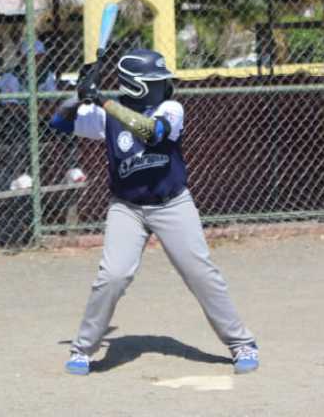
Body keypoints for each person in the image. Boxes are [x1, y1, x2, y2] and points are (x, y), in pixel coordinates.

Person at [49, 49, 259, 376]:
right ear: (137, 86)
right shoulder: (105, 115)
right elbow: (58, 122)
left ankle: (240, 342)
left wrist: (102, 99)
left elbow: (152, 132)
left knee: (200, 272)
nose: (165, 85)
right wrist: (78, 95)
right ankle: (83, 348)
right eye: (156, 81)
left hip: (172, 203)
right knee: (113, 276)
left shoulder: (170, 108)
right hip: (127, 208)